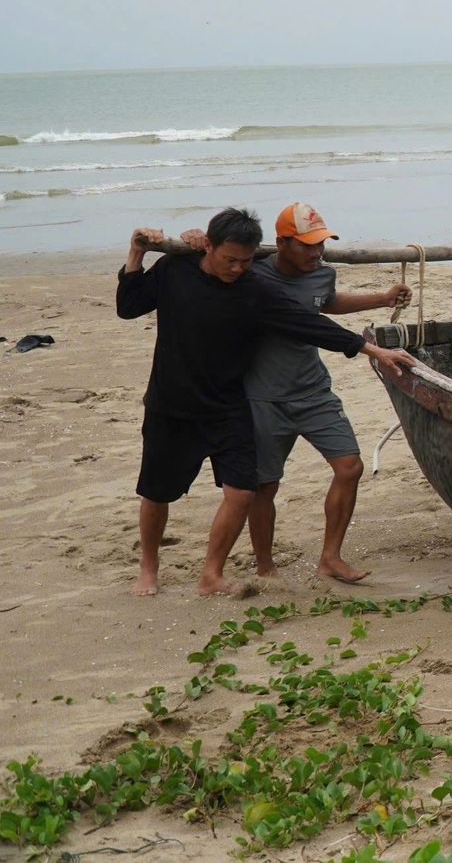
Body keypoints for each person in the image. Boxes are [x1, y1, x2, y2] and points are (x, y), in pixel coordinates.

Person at [118, 207, 412, 597]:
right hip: (172, 404)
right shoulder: (176, 270)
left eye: (244, 261)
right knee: (157, 493)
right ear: (207, 245)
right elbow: (129, 306)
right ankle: (149, 569)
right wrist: (136, 255)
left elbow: (308, 322)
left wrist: (370, 349)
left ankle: (211, 575)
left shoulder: (254, 289)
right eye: (230, 260)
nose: (238, 268)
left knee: (242, 492)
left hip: (229, 404)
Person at [239, 203, 411, 584]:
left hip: (314, 391)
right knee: (264, 485)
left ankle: (330, 557)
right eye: (307, 246)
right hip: (263, 398)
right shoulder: (251, 275)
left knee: (350, 467)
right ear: (282, 244)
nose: (316, 253)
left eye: (321, 244)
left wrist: (382, 298)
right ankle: (265, 566)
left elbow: (326, 304)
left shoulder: (320, 274)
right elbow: (213, 260)